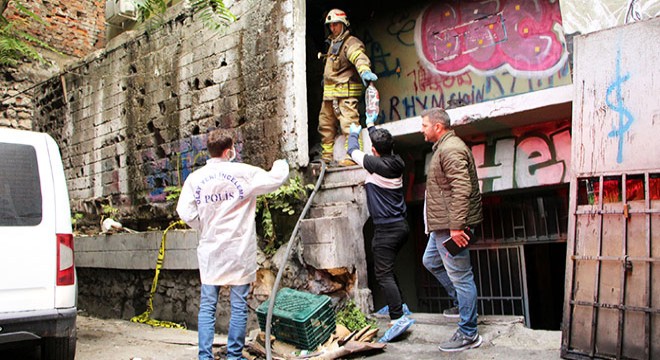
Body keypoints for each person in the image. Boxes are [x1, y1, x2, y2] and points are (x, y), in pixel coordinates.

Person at [176, 129, 289, 360]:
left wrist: (204, 226)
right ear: (229, 151)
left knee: (207, 306)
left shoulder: (195, 179)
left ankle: (204, 357)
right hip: (238, 250)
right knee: (238, 306)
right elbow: (277, 178)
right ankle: (234, 357)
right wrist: (281, 162)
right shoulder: (243, 173)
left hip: (211, 250)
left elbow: (184, 211)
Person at [419, 107, 483, 352]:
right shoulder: (444, 148)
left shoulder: (451, 149)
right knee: (430, 261)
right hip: (441, 226)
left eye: (424, 125)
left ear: (438, 126)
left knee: (462, 277)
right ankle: (461, 303)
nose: (421, 130)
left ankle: (469, 333)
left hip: (450, 227)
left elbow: (462, 189)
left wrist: (457, 227)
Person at [346, 115, 412, 333]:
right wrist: (371, 125)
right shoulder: (397, 161)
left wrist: (354, 134)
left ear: (374, 150)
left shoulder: (374, 164)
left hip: (387, 230)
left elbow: (352, 151)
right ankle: (399, 307)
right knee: (388, 268)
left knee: (383, 273)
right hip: (400, 226)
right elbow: (379, 144)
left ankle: (397, 318)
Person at [319, 8, 378, 166]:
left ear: (344, 25)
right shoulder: (332, 44)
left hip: (345, 94)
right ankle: (326, 157)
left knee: (349, 125)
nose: (333, 28)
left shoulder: (350, 43)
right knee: (325, 125)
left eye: (336, 25)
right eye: (330, 25)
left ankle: (352, 155)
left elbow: (358, 57)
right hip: (330, 95)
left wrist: (364, 71)